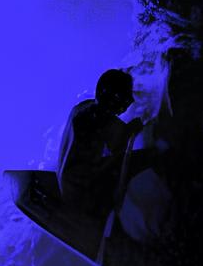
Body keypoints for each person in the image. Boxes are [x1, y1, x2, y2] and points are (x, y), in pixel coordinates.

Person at [58, 68, 146, 215]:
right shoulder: (99, 117)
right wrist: (135, 126)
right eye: (125, 97)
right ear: (113, 97)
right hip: (81, 195)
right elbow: (119, 143)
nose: (128, 103)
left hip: (69, 186)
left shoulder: (85, 107)